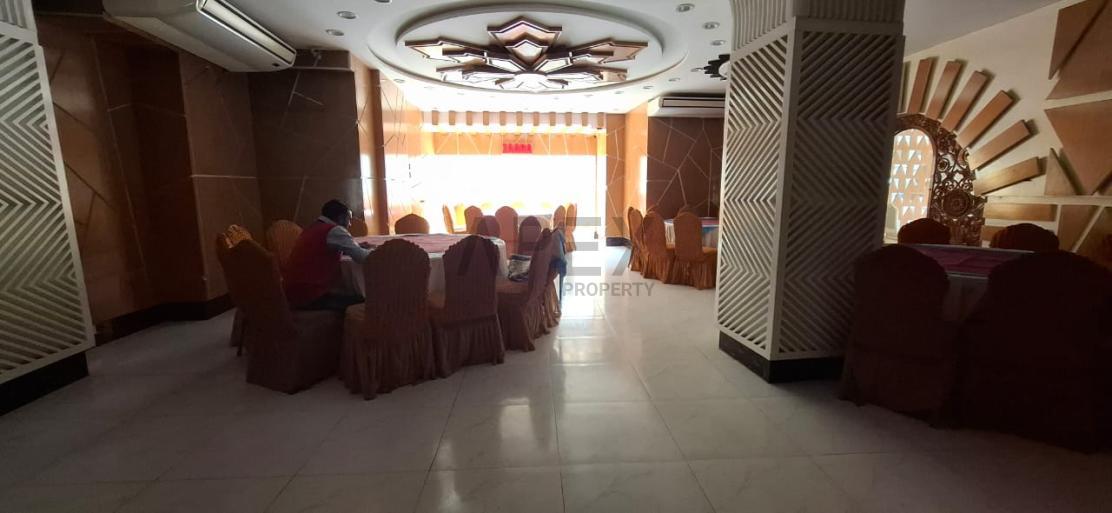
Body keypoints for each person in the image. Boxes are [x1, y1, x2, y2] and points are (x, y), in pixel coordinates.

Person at [282, 200, 372, 310]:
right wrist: (383, 251)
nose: (350, 224)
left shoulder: (313, 227)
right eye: (348, 219)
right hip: (311, 296)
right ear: (341, 218)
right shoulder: (334, 230)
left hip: (293, 292)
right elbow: (362, 257)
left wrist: (353, 246)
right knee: (366, 300)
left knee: (349, 293)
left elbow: (322, 250)